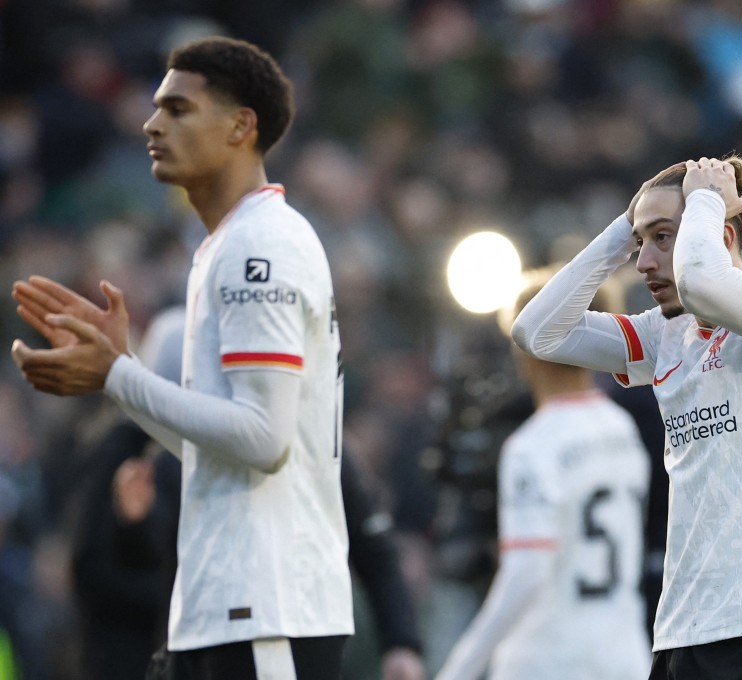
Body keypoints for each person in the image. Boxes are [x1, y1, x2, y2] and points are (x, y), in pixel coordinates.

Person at [11, 37, 353, 680]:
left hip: (267, 613)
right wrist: (117, 379)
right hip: (230, 608)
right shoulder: (228, 245)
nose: (151, 123)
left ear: (241, 126)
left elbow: (262, 438)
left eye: (177, 108)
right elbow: (222, 444)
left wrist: (118, 372)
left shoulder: (260, 247)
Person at [512, 156, 742, 679]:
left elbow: (706, 283)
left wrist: (707, 200)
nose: (643, 262)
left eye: (662, 238)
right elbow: (537, 332)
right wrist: (626, 227)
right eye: (642, 243)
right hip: (680, 629)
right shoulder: (667, 335)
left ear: (721, 233)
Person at [435, 270, 652, 680]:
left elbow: (527, 570)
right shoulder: (622, 431)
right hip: (624, 656)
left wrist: (461, 666)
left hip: (548, 658)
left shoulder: (533, 445)